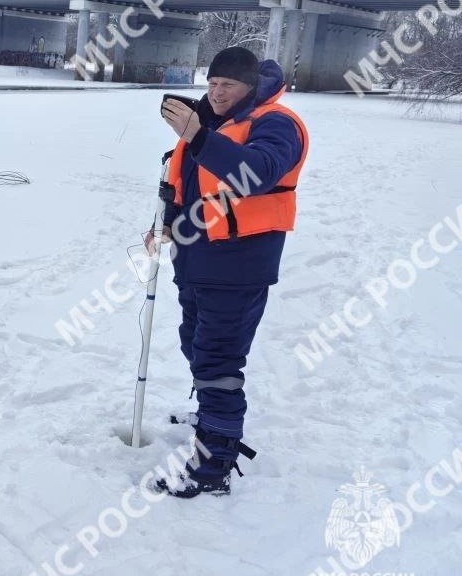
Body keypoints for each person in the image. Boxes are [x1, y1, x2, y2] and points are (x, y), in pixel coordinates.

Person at [150, 47, 309, 497]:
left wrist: (198, 136)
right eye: (213, 85)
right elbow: (188, 184)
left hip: (239, 265)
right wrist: (164, 226)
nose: (217, 94)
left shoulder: (276, 123)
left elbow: (255, 173)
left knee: (218, 360)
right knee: (195, 345)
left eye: (229, 87)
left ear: (250, 88)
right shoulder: (212, 122)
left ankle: (214, 461)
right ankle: (211, 416)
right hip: (196, 261)